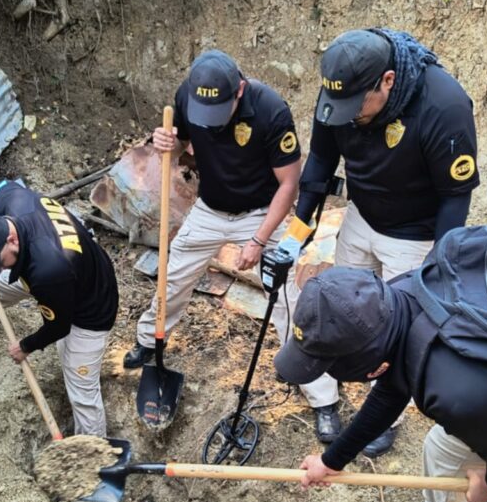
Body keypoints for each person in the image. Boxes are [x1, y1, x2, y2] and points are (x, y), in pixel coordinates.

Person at [120, 50, 339, 433]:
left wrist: (258, 239)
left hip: (259, 212)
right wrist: (166, 144)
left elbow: (289, 184)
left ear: (239, 90)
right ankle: (148, 341)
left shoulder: (270, 110)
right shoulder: (188, 96)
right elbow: (180, 149)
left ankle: (322, 397)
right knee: (172, 278)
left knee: (287, 296)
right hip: (209, 209)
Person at [293, 28, 480, 456]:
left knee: (395, 333)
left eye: (357, 107)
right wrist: (296, 231)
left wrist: (435, 270)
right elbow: (321, 159)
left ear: (388, 81)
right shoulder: (340, 95)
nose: (348, 116)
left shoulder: (443, 105)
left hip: (414, 238)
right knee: (332, 311)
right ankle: (324, 397)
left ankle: (385, 417)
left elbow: (455, 196)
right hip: (361, 217)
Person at [278, 267, 487, 502]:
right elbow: (392, 389)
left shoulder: (455, 392)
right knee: (443, 449)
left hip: (485, 400)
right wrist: (331, 461)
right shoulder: (397, 298)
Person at [0, 182, 118, 437]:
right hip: (66, 267)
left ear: (12, 239)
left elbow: (59, 326)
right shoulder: (12, 198)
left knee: (82, 390)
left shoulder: (49, 273)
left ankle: (93, 455)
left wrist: (25, 346)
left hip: (91, 307)